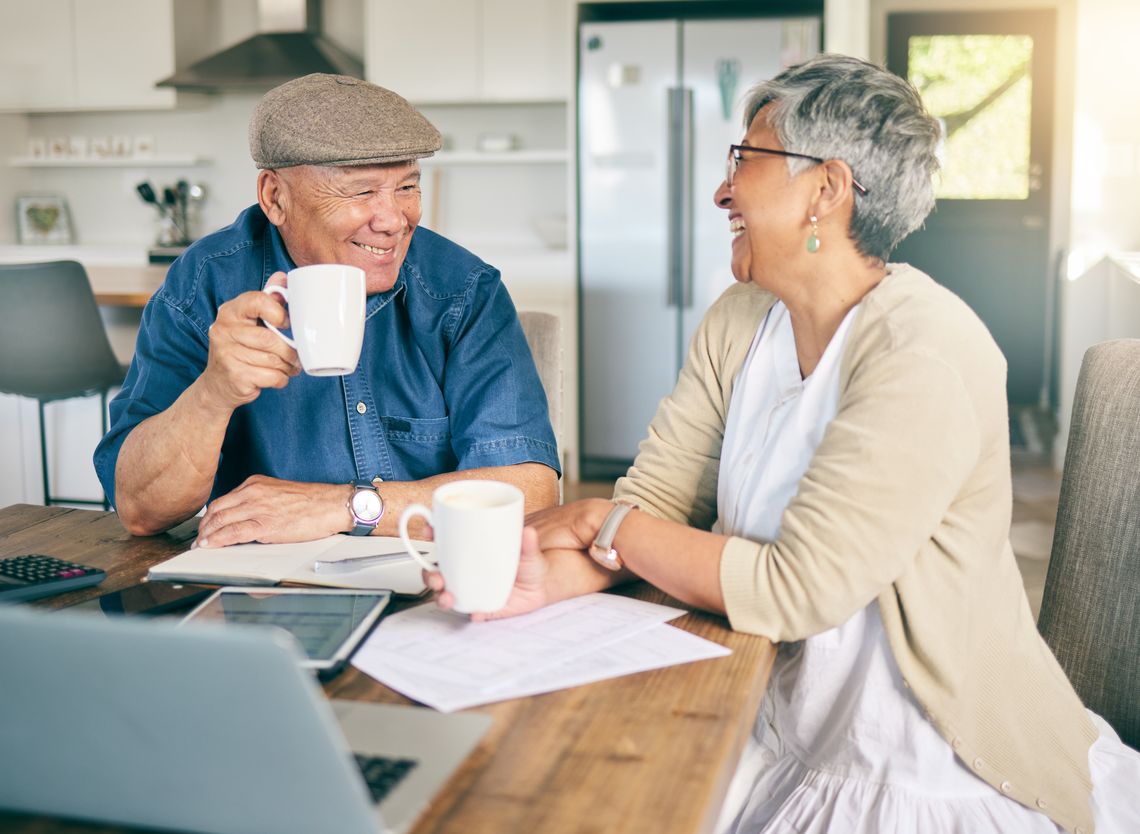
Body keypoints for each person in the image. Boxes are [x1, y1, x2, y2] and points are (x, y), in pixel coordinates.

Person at [428, 55, 1139, 833]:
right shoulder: (741, 318)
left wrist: (600, 523)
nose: (721, 190)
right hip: (773, 717)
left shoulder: (924, 352)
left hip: (921, 764)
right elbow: (657, 503)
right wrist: (542, 582)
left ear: (826, 190)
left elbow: (792, 591)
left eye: (745, 160)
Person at [94, 73, 559, 546]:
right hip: (253, 593)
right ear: (276, 198)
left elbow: (530, 494)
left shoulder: (461, 290)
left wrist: (343, 506)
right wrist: (213, 393)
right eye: (362, 192)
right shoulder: (205, 284)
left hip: (423, 579)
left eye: (407, 187)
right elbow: (139, 509)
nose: (395, 220)